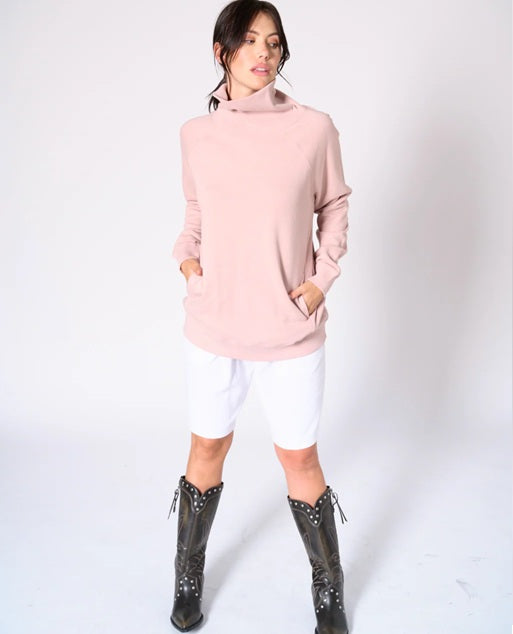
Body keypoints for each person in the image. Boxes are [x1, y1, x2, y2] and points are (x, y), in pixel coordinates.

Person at [168, 1, 353, 632]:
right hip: (215, 324)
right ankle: (187, 576)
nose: (263, 53)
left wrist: (320, 281)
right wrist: (188, 261)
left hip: (289, 326)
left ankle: (328, 587)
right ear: (221, 51)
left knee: (299, 458)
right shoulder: (197, 133)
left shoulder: (313, 128)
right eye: (249, 41)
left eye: (273, 42)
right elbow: (195, 211)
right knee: (207, 445)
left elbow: (335, 204)